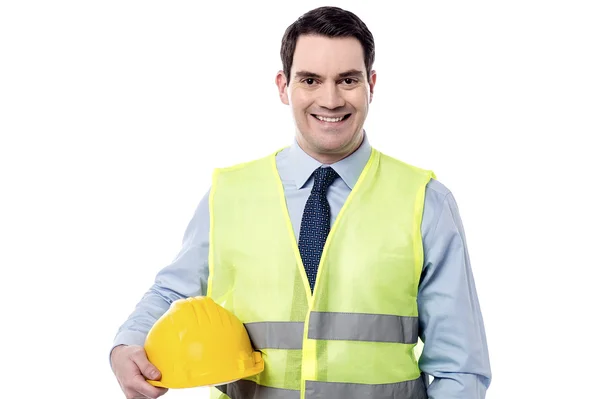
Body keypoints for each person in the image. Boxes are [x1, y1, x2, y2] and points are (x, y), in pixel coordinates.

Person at [110, 6, 492, 399]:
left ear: (371, 85)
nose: (330, 99)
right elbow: (174, 293)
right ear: (283, 86)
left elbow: (459, 368)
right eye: (310, 80)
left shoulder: (425, 202)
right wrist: (126, 345)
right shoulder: (230, 194)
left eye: (347, 80)